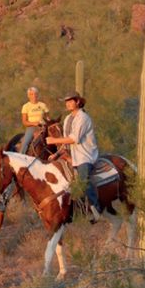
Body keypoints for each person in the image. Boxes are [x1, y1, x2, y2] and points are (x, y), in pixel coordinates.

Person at [45, 92, 102, 221]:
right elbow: (65, 143)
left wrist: (53, 141)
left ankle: (96, 209)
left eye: (71, 101)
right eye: (66, 102)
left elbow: (74, 139)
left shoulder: (83, 118)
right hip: (74, 157)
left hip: (85, 156)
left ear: (78, 102)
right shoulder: (67, 119)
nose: (68, 104)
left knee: (82, 182)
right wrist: (57, 154)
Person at [17, 87, 50, 156]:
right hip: (32, 127)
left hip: (43, 127)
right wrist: (34, 123)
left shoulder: (43, 105)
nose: (33, 96)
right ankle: (21, 156)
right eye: (31, 94)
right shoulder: (26, 106)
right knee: (26, 142)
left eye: (35, 94)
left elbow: (48, 118)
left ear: (37, 95)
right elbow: (24, 122)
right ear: (28, 96)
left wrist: (47, 124)